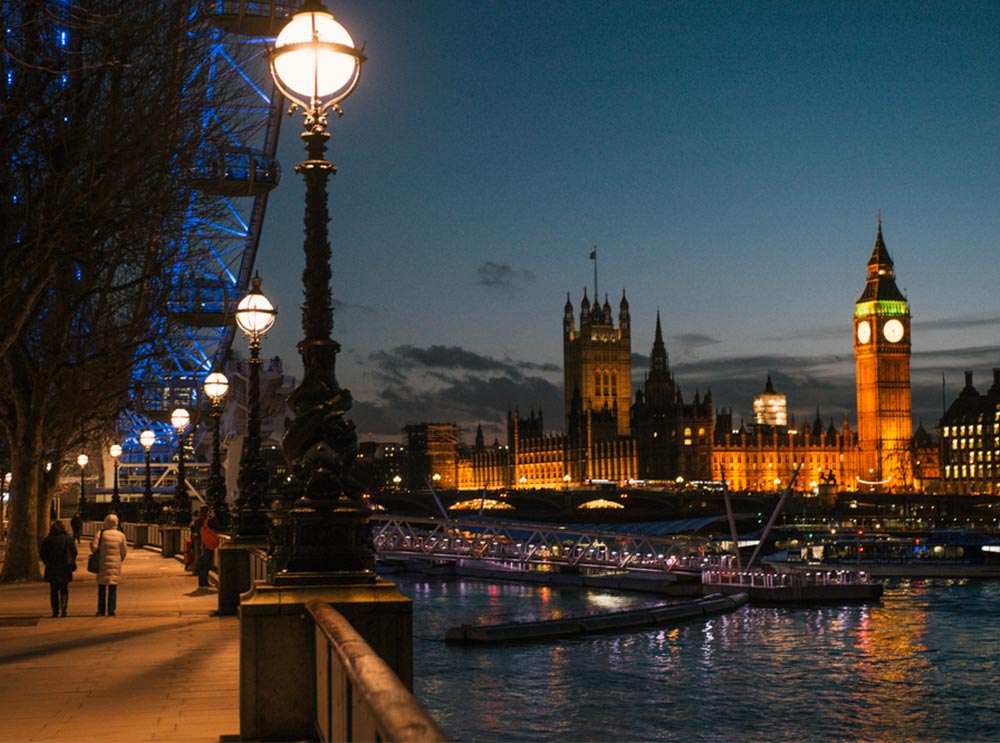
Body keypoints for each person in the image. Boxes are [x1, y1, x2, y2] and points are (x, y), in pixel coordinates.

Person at [90, 513, 127, 616]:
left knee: (101, 588)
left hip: (102, 564)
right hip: (115, 564)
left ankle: (101, 610)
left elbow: (94, 547)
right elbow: (124, 551)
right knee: (112, 588)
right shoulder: (121, 535)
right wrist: (119, 560)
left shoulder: (100, 534)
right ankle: (111, 609)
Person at [40, 520, 77, 617]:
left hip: (52, 567)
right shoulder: (67, 538)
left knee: (53, 591)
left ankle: (55, 611)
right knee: (64, 589)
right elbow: (74, 552)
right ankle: (64, 607)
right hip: (65, 567)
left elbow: (43, 554)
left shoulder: (48, 539)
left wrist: (47, 562)